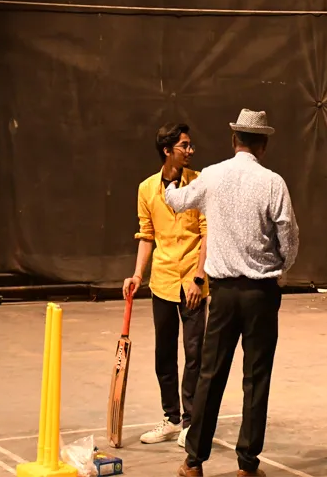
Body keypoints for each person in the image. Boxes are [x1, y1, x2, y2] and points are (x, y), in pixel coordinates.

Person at [168, 109, 299, 477]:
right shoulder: (273, 182)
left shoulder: (212, 175)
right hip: (261, 293)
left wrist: (170, 185)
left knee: (210, 374)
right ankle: (247, 465)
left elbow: (177, 202)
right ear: (263, 145)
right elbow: (289, 236)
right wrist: (282, 268)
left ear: (233, 140)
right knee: (256, 378)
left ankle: (194, 461)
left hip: (223, 293)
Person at [123, 123, 208, 447]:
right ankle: (171, 419)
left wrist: (199, 278)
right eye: (184, 145)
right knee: (164, 354)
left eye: (190, 145)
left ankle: (191, 422)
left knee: (194, 353)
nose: (190, 150)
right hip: (162, 280)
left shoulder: (199, 183)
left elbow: (207, 233)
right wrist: (137, 275)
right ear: (167, 150)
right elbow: (146, 235)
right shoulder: (147, 189)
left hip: (192, 282)